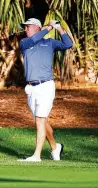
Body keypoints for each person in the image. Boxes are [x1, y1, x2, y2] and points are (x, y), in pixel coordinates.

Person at [18, 18, 73, 162]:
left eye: (27, 27)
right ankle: (55, 147)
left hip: (46, 86)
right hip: (31, 88)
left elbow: (68, 43)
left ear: (36, 27)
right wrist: (49, 28)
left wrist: (59, 28)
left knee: (40, 120)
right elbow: (35, 39)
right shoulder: (24, 43)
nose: (25, 29)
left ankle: (36, 156)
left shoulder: (50, 43)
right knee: (41, 121)